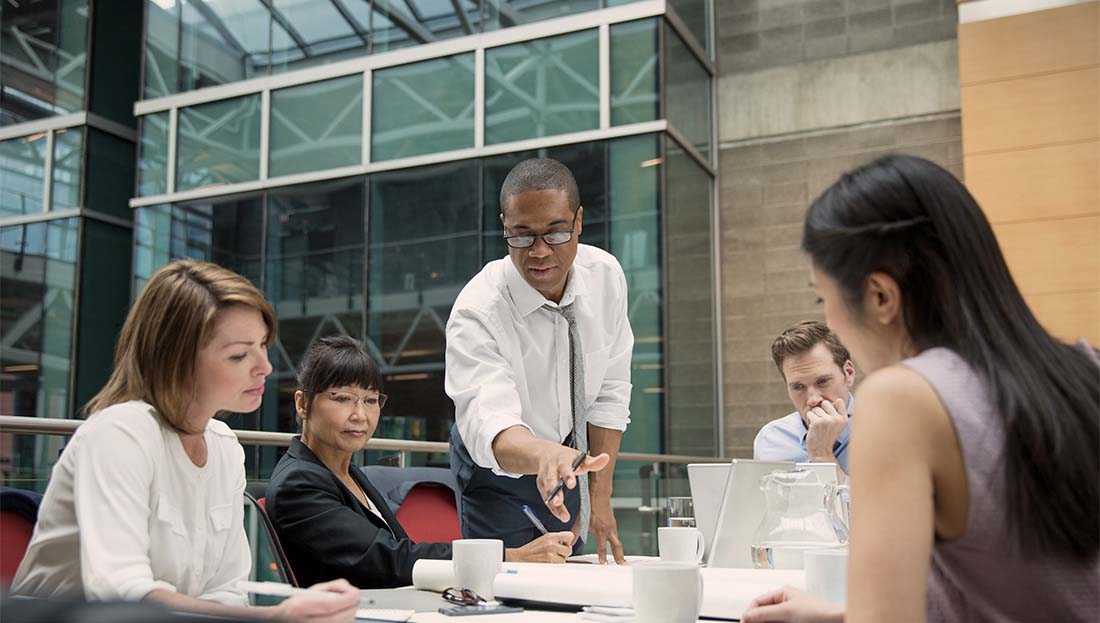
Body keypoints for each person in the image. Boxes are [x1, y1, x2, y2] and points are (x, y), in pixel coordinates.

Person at [742, 155, 1099, 623]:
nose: (828, 317)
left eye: (822, 297)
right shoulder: (1085, 367)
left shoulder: (902, 398)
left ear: (880, 296)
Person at [12, 259, 358, 622]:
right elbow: (123, 597)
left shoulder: (224, 446)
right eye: (240, 354)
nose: (265, 367)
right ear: (176, 360)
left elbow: (230, 590)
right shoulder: (119, 434)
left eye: (262, 345)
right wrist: (274, 618)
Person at [265, 336, 576, 589]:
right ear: (303, 404)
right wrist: (511, 557)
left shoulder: (348, 474)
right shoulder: (299, 482)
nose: (359, 414)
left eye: (371, 400)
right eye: (342, 398)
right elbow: (389, 559)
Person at [445, 158, 633, 564]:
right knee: (506, 585)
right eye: (522, 235)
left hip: (567, 457)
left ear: (579, 221)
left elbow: (611, 394)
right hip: (495, 464)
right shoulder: (477, 310)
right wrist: (545, 455)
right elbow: (492, 421)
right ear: (504, 226)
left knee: (574, 571)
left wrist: (600, 495)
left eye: (556, 232)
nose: (540, 252)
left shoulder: (606, 277)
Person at [753, 321, 855, 479]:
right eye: (798, 387)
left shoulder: (885, 432)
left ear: (848, 373)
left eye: (822, 381)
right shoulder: (771, 438)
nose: (813, 399)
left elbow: (883, 504)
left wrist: (822, 455)